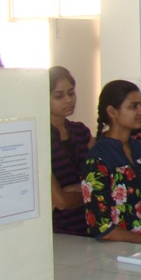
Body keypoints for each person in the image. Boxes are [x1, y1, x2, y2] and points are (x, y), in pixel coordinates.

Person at [82, 80, 141, 244]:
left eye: (140, 105)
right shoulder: (98, 158)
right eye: (133, 106)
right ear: (112, 111)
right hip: (114, 251)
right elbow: (102, 227)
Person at [49, 66, 93, 236]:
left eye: (71, 93)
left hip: (92, 224)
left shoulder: (81, 131)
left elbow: (106, 181)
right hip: (59, 232)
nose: (68, 100)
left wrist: (78, 189)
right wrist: (89, 191)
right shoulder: (40, 138)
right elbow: (61, 201)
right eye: (58, 96)